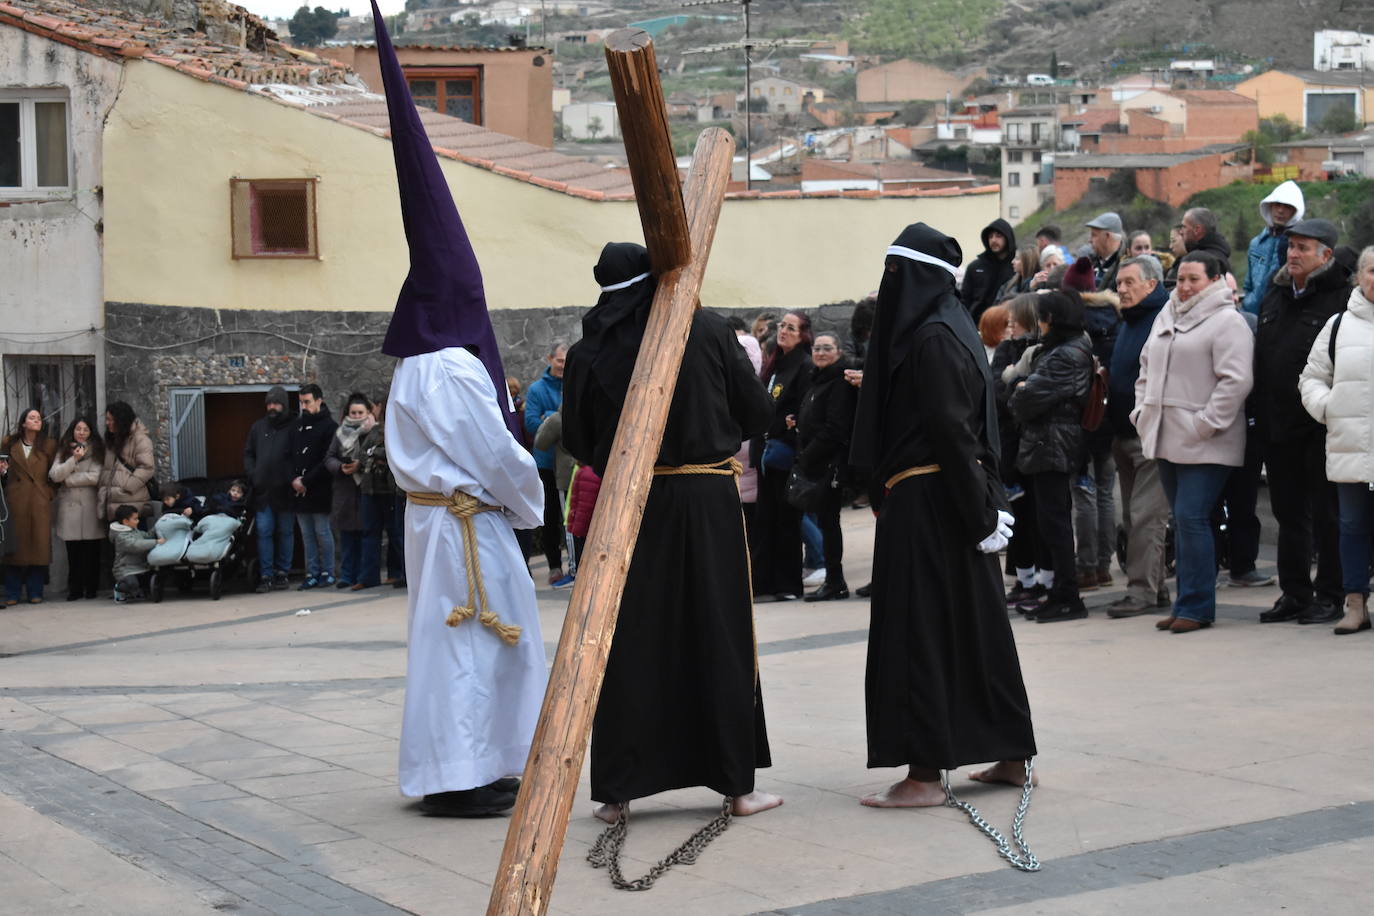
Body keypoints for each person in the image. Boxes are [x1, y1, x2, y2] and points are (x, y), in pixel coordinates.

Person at [371, 5, 546, 817]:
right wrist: (529, 501)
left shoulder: (417, 366)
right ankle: (455, 777)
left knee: (477, 646)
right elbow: (494, 452)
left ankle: (481, 763)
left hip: (443, 521)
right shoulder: (448, 367)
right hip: (465, 522)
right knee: (469, 648)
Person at [561, 241, 780, 832]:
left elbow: (578, 438)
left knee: (631, 640)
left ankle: (617, 793)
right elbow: (757, 412)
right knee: (720, 633)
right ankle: (736, 787)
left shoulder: (587, 350)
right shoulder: (704, 329)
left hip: (630, 505)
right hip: (707, 499)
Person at [851, 222, 1035, 808]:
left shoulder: (929, 338)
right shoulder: (950, 325)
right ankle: (1011, 754)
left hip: (930, 504)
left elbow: (952, 430)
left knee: (919, 633)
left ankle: (924, 775)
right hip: (951, 498)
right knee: (977, 630)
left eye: (894, 274)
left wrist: (981, 511)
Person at [1132, 252, 1254, 633]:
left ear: (1214, 280)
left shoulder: (1228, 321)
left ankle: (1197, 606)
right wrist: (1142, 413)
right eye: (1180, 279)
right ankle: (1185, 602)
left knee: (1191, 516)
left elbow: (1236, 380)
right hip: (1165, 435)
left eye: (1193, 279)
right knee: (1183, 520)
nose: (1184, 287)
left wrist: (1205, 424)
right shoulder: (1167, 314)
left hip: (1207, 441)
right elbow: (1146, 367)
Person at [1252, 218, 1349, 625]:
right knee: (1288, 514)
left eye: (1303, 248)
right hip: (1278, 426)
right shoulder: (1275, 295)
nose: (1292, 254)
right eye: (1291, 246)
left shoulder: (1341, 299)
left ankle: (1331, 595)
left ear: (1325, 255)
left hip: (1320, 428)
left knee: (1328, 516)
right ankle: (1294, 592)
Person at [1007, 291, 1095, 622]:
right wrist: (1020, 388)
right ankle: (1060, 592)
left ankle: (1068, 596)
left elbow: (1024, 399)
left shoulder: (1065, 354)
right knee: (1050, 522)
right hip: (1049, 442)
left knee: (1054, 524)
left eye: (1041, 318)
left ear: (1051, 320)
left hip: (1053, 443)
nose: (1039, 325)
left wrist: (1019, 388)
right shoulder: (1063, 348)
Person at [1300, 245, 1374, 634]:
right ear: (1359, 276)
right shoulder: (1338, 326)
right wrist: (1328, 408)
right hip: (1350, 446)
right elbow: (1311, 377)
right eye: (1372, 270)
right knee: (1352, 528)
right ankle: (1355, 604)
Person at [1104, 256, 1173, 618]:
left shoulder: (1163, 318)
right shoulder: (1130, 320)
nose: (1122, 289)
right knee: (1135, 517)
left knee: (1147, 517)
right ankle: (1154, 588)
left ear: (1151, 284)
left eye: (1129, 282)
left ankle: (1141, 591)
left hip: (1150, 434)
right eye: (1119, 283)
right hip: (1124, 433)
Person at [751, 311, 813, 602]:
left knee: (787, 522)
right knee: (765, 520)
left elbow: (800, 411)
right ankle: (763, 583)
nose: (783, 331)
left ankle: (787, 584)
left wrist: (785, 425)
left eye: (791, 328)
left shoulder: (803, 365)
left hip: (785, 454)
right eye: (782, 326)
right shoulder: (775, 364)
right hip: (766, 453)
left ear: (802, 335)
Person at [995, 295, 1052, 612]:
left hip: (1035, 443)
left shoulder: (1041, 351)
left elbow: (1032, 394)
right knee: (1018, 516)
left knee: (1039, 517)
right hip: (1010, 444)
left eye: (1014, 320)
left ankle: (1044, 581)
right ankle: (1024, 580)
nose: (1010, 326)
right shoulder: (1006, 349)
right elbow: (998, 391)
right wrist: (1016, 385)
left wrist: (1015, 383)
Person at [795, 332, 859, 601]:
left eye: (827, 348)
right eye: (817, 348)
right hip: (818, 463)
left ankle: (835, 580)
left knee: (829, 523)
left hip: (830, 465)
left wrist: (807, 455)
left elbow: (835, 428)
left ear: (838, 352)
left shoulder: (838, 382)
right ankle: (834, 579)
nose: (820, 353)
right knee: (825, 521)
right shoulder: (817, 379)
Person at [1074, 283, 1121, 590]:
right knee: (1105, 494)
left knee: (1084, 495)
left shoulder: (1077, 330)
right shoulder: (1119, 324)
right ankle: (1104, 565)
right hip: (1111, 420)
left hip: (1083, 422)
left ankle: (1087, 567)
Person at [243, 387, 297, 592]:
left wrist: (292, 476)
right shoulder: (258, 427)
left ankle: (283, 573)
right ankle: (266, 575)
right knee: (264, 532)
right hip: (263, 491)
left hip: (286, 491)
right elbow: (248, 453)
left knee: (285, 532)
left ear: (284, 404)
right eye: (269, 403)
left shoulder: (294, 426)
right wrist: (253, 474)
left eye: (276, 403)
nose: (272, 407)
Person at [524, 342, 568, 585]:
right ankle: (554, 565)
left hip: (571, 464)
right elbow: (531, 423)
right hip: (546, 464)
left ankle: (577, 562)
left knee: (574, 516)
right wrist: (558, 418)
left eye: (566, 361)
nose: (563, 366)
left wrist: (549, 417)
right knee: (550, 516)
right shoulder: (536, 390)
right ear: (549, 359)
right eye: (559, 360)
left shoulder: (574, 383)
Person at [2, 408, 56, 605]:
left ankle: (35, 591)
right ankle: (12, 593)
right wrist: (4, 474)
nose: (36, 420)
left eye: (39, 418)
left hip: (39, 500)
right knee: (14, 547)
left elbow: (55, 473)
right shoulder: (9, 443)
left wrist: (48, 493)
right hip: (16, 500)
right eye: (32, 418)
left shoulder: (48, 445)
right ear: (23, 422)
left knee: (38, 547)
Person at [49, 417, 105, 600]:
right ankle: (75, 589)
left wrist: (70, 480)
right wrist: (74, 459)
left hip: (90, 505)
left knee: (92, 551)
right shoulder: (64, 450)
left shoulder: (97, 450)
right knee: (73, 552)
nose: (81, 432)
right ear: (72, 430)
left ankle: (91, 588)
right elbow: (55, 475)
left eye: (85, 429)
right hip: (70, 506)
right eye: (78, 429)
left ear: (91, 432)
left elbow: (96, 476)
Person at [290, 383, 337, 590]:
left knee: (322, 532)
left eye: (307, 402)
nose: (304, 406)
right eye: (301, 402)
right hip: (299, 490)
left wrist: (306, 481)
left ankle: (328, 571)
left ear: (319, 400)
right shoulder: (297, 426)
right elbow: (290, 455)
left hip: (319, 489)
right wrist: (294, 479)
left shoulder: (329, 426)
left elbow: (327, 459)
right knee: (307, 535)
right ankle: (312, 572)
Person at [326, 392, 373, 589]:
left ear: (368, 412)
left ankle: (363, 575)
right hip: (345, 492)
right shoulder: (340, 433)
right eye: (353, 413)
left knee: (365, 537)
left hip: (365, 489)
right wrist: (340, 467)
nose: (356, 416)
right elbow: (329, 457)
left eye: (360, 412)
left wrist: (359, 465)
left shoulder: (373, 432)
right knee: (346, 539)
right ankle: (347, 575)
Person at [358, 400, 403, 590]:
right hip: (371, 489)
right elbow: (361, 454)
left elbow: (393, 453)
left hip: (390, 490)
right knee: (370, 533)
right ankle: (369, 576)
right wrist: (375, 453)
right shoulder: (375, 431)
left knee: (395, 534)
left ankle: (397, 573)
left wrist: (377, 453)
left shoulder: (398, 430)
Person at [1243, 181, 1305, 316]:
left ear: (1296, 210)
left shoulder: (1301, 246)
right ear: (1270, 206)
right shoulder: (1257, 243)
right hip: (1251, 314)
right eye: (1277, 205)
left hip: (1281, 315)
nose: (1280, 210)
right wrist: (1248, 302)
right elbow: (1248, 284)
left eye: (1287, 206)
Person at [97, 401, 154, 528]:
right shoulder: (111, 440)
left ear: (121, 420)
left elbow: (147, 467)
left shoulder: (140, 439)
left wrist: (127, 487)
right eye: (107, 419)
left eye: (111, 419)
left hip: (132, 504)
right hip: (112, 503)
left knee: (135, 539)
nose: (107, 423)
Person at [960, 218, 1016, 322]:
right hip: (976, 323)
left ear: (1008, 238)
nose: (993, 240)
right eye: (990, 236)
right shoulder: (975, 267)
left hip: (1008, 321)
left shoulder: (1016, 266)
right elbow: (964, 299)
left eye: (998, 236)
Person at [109, 503, 163, 603]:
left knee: (155, 577)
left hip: (141, 567)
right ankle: (119, 589)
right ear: (125, 521)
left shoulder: (135, 531)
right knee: (131, 584)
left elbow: (147, 536)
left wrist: (158, 525)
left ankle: (139, 591)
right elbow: (135, 545)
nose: (138, 521)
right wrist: (156, 542)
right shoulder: (121, 536)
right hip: (125, 569)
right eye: (135, 519)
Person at [1182, 206, 1233, 276]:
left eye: (1184, 227)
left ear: (1197, 230)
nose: (1181, 232)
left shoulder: (1208, 261)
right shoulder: (1216, 255)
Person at [1084, 212, 1124, 291]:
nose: (1090, 240)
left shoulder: (1126, 266)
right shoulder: (1090, 263)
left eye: (1094, 235)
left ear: (1107, 236)